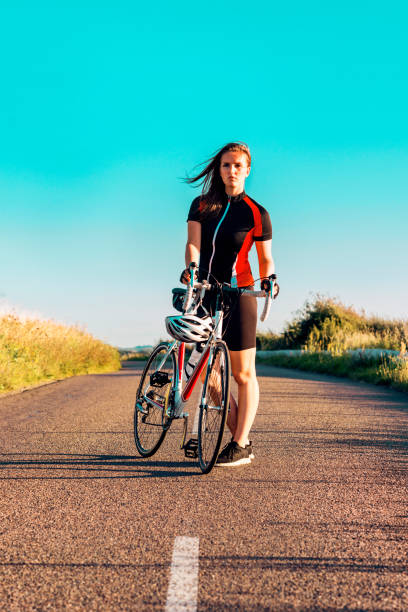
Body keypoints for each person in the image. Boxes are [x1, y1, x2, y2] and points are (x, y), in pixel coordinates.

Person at [180, 142, 279, 467]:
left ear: (247, 170)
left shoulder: (256, 213)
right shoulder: (201, 205)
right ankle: (241, 436)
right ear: (219, 169)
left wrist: (270, 279)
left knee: (243, 374)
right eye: (226, 165)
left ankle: (239, 444)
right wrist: (191, 270)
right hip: (206, 294)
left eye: (238, 165)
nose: (232, 170)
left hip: (241, 295)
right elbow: (193, 243)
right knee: (209, 376)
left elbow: (265, 259)